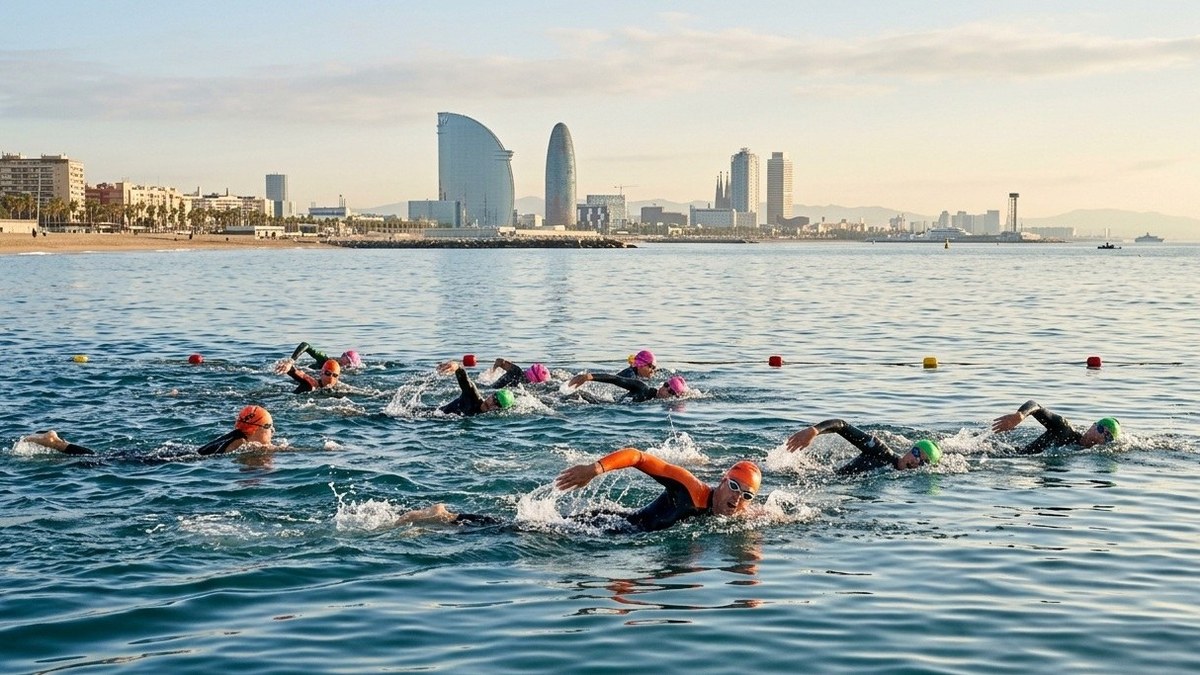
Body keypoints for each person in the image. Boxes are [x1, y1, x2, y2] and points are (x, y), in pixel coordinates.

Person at [555, 448, 762, 532]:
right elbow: (638, 457)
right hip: (612, 526)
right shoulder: (688, 488)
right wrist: (594, 469)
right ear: (722, 481)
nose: (737, 497)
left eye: (747, 495)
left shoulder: (741, 514)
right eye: (734, 486)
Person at [19, 405, 277, 458]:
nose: (272, 431)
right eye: (269, 427)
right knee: (100, 459)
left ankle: (58, 442)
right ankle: (54, 443)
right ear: (254, 430)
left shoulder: (236, 436)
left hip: (177, 451)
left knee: (106, 456)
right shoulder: (241, 444)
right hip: (171, 459)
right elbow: (265, 451)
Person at [785, 418, 942, 474]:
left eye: (923, 461)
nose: (915, 461)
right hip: (822, 476)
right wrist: (814, 430)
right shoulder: (881, 451)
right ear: (910, 449)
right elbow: (842, 426)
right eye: (916, 453)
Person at [991, 400, 1121, 454]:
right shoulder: (1065, 429)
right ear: (1093, 426)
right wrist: (1020, 415)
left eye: (1108, 437)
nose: (1101, 436)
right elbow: (1035, 405)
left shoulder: (1086, 454)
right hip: (1013, 455)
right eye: (1100, 429)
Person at [436, 360, 516, 416]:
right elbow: (464, 377)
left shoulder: (487, 419)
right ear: (491, 394)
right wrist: (455, 366)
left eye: (497, 403)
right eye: (494, 397)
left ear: (499, 409)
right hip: (433, 415)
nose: (492, 403)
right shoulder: (472, 396)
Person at [566, 372, 688, 403]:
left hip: (610, 409)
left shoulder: (655, 406)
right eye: (666, 385)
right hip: (603, 404)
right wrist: (589, 376)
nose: (665, 389)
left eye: (671, 390)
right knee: (575, 395)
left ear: (674, 396)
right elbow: (616, 379)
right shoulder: (642, 388)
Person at [290, 341, 362, 369]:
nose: (347, 365)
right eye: (348, 361)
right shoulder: (324, 360)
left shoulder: (342, 370)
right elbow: (305, 345)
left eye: (349, 364)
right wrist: (291, 361)